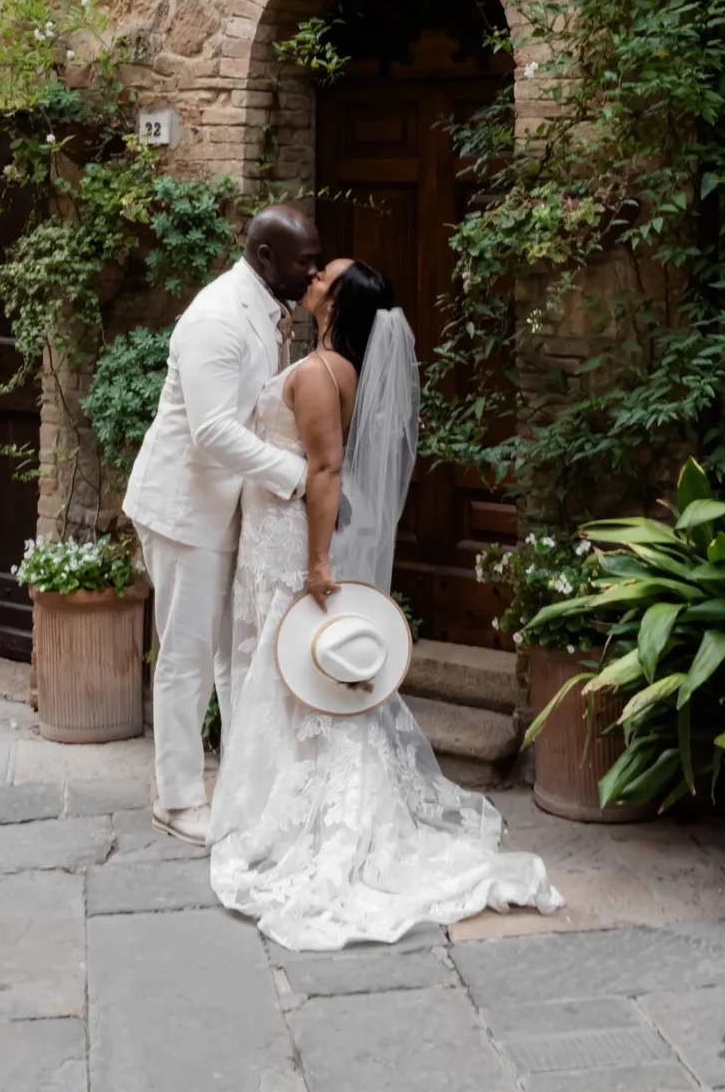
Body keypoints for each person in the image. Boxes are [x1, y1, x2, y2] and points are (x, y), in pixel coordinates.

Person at [209, 256, 563, 950]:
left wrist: (317, 563)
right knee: (293, 681)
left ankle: (304, 819)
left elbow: (326, 470)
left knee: (293, 678)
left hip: (291, 543)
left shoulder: (320, 373)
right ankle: (284, 802)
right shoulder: (335, 365)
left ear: (339, 303)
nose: (312, 277)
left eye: (325, 276)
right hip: (277, 535)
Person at [124, 203, 322, 844]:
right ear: (266, 257)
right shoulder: (216, 317)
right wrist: (295, 476)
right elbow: (211, 431)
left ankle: (239, 785)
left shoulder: (268, 308)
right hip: (185, 511)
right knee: (187, 658)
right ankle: (177, 798)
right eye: (304, 261)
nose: (313, 271)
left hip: (230, 508)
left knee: (230, 655)